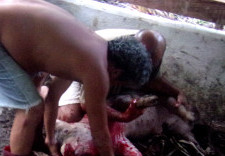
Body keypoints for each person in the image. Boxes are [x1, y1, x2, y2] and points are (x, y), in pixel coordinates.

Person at [0, 0, 152, 156]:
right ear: (116, 71)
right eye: (118, 82)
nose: (112, 85)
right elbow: (99, 128)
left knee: (36, 85)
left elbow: (53, 97)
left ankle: (31, 143)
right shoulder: (97, 69)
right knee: (31, 108)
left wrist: (50, 140)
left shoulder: (87, 50)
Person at [49, 29, 190, 123]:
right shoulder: (104, 56)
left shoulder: (153, 52)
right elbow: (88, 104)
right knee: (71, 116)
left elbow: (152, 79)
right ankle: (44, 96)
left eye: (153, 64)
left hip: (111, 73)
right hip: (77, 70)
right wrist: (122, 117)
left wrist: (177, 92)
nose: (150, 66)